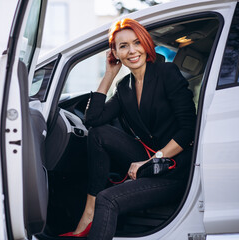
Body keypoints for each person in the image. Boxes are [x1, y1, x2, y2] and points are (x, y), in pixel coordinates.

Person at [59, 18, 196, 239]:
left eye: (137, 43)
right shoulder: (124, 88)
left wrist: (151, 160)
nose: (132, 51)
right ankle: (89, 210)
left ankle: (92, 215)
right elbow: (93, 120)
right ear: (115, 52)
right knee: (98, 134)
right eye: (123, 46)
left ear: (146, 45)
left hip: (174, 169)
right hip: (150, 162)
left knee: (109, 199)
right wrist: (109, 75)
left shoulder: (166, 73)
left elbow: (189, 128)